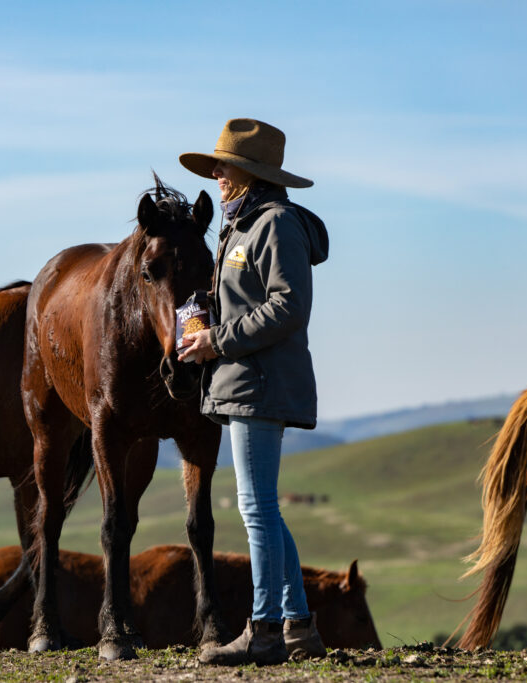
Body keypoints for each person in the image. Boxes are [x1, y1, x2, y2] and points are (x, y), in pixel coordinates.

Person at [177, 118, 330, 666]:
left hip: (260, 383)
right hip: (247, 381)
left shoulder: (276, 225)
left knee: (256, 509)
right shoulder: (242, 227)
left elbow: (288, 306)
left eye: (223, 166)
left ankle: (264, 629)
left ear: (248, 174)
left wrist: (217, 341)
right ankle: (298, 627)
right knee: (263, 507)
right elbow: (255, 303)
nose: (215, 175)